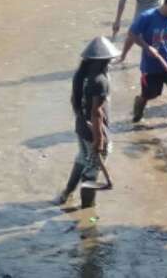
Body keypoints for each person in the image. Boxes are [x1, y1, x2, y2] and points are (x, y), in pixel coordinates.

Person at [56, 36, 119, 208]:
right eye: (109, 60)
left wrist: (82, 122)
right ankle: (87, 210)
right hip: (95, 131)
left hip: (82, 128)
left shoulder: (80, 74)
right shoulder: (100, 80)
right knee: (91, 174)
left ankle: (66, 192)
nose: (110, 63)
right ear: (103, 61)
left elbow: (73, 101)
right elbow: (96, 112)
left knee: (82, 159)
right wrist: (99, 140)